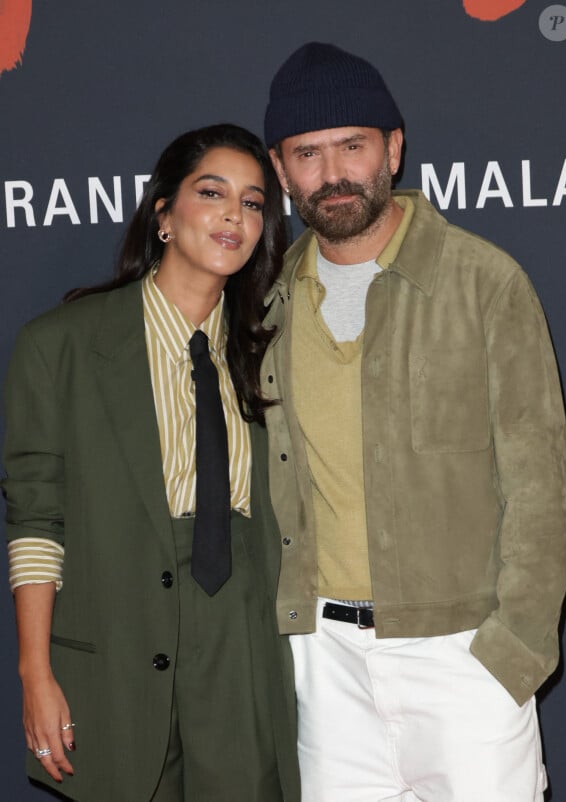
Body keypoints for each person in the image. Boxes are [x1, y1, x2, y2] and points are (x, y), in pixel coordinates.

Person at [260, 41, 566, 802]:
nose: (333, 172)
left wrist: (511, 653)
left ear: (394, 149)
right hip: (324, 664)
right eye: (308, 152)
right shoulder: (266, 302)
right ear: (279, 169)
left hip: (465, 657)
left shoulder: (483, 282)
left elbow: (543, 489)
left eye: (354, 145)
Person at [2, 123, 300, 802]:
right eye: (212, 192)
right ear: (163, 214)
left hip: (242, 635)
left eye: (253, 203)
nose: (234, 215)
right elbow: (36, 518)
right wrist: (35, 671)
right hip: (116, 631)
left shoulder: (273, 352)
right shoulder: (62, 346)